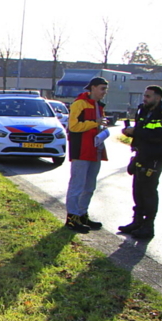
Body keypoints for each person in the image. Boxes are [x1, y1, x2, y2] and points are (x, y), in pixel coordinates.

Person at [117, 85, 162, 240]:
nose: (145, 98)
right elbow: (141, 129)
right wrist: (131, 135)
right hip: (141, 154)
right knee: (138, 189)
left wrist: (136, 132)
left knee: (148, 190)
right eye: (144, 95)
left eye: (148, 96)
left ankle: (148, 227)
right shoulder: (143, 109)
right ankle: (137, 221)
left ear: (158, 97)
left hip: (155, 156)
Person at [64, 77, 109, 233]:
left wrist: (102, 129)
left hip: (95, 150)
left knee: (89, 186)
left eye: (105, 89)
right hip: (81, 151)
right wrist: (95, 122)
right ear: (93, 88)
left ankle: (82, 214)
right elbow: (73, 126)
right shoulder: (79, 104)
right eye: (102, 88)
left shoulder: (98, 105)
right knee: (77, 185)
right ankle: (71, 218)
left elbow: (96, 125)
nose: (105, 92)